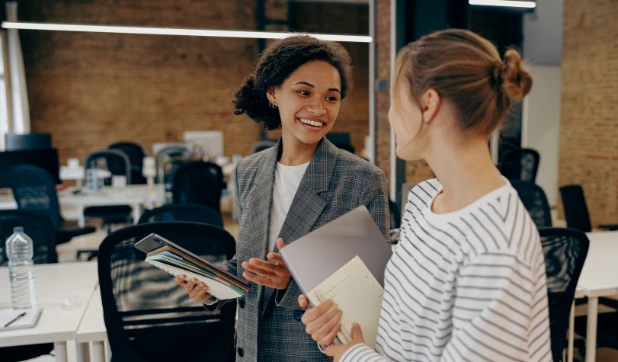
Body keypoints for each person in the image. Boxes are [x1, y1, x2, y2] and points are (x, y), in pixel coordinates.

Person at [298, 29, 551, 362]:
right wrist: (339, 327)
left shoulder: (496, 243)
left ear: (429, 104)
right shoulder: (423, 197)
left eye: (394, 102)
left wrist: (354, 358)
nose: (390, 117)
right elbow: (405, 323)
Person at [174, 35, 390, 362]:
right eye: (304, 92)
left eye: (331, 98)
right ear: (273, 93)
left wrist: (291, 283)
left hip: (314, 351)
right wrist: (211, 287)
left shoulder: (361, 180)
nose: (318, 109)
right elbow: (246, 264)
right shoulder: (248, 171)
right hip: (251, 349)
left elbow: (373, 291)